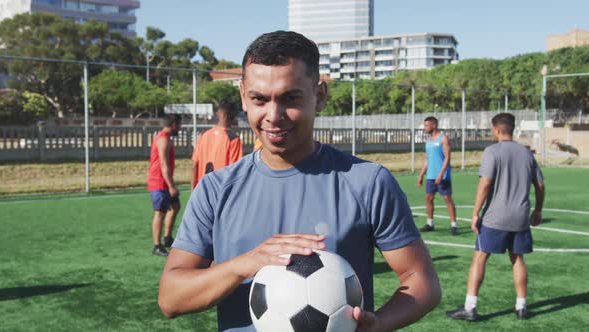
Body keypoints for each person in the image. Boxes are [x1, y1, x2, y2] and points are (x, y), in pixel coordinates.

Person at [158, 31, 441, 332]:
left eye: (290, 98)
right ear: (243, 96)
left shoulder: (367, 183)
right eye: (259, 99)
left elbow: (422, 282)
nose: (273, 115)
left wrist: (379, 324)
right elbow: (171, 298)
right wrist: (244, 264)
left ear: (319, 96)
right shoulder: (215, 190)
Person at [446, 113, 545, 321]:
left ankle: (470, 307)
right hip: (520, 217)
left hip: (495, 218)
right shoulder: (527, 154)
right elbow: (540, 185)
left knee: (480, 257)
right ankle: (521, 307)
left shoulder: (492, 151)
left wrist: (475, 213)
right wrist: (537, 210)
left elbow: (485, 183)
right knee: (517, 259)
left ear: (498, 130)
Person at [147, 114, 182, 257]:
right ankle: (157, 245)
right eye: (179, 125)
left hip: (164, 182)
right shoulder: (163, 139)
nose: (180, 128)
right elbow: (163, 163)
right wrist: (171, 185)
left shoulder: (166, 139)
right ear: (173, 124)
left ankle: (167, 238)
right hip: (159, 182)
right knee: (160, 212)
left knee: (175, 206)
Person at [417, 116, 458, 235]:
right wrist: (421, 175)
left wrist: (441, 174)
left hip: (443, 175)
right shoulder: (428, 141)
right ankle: (430, 223)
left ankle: (454, 225)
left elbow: (447, 158)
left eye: (426, 125)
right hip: (430, 176)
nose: (425, 128)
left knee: (447, 198)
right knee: (428, 198)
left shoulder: (443, 138)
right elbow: (427, 160)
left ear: (434, 125)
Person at [191, 102, 243, 190]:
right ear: (231, 115)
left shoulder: (203, 135)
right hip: (220, 191)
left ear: (218, 114)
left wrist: (193, 190)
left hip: (202, 190)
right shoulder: (233, 138)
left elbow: (194, 165)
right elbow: (235, 170)